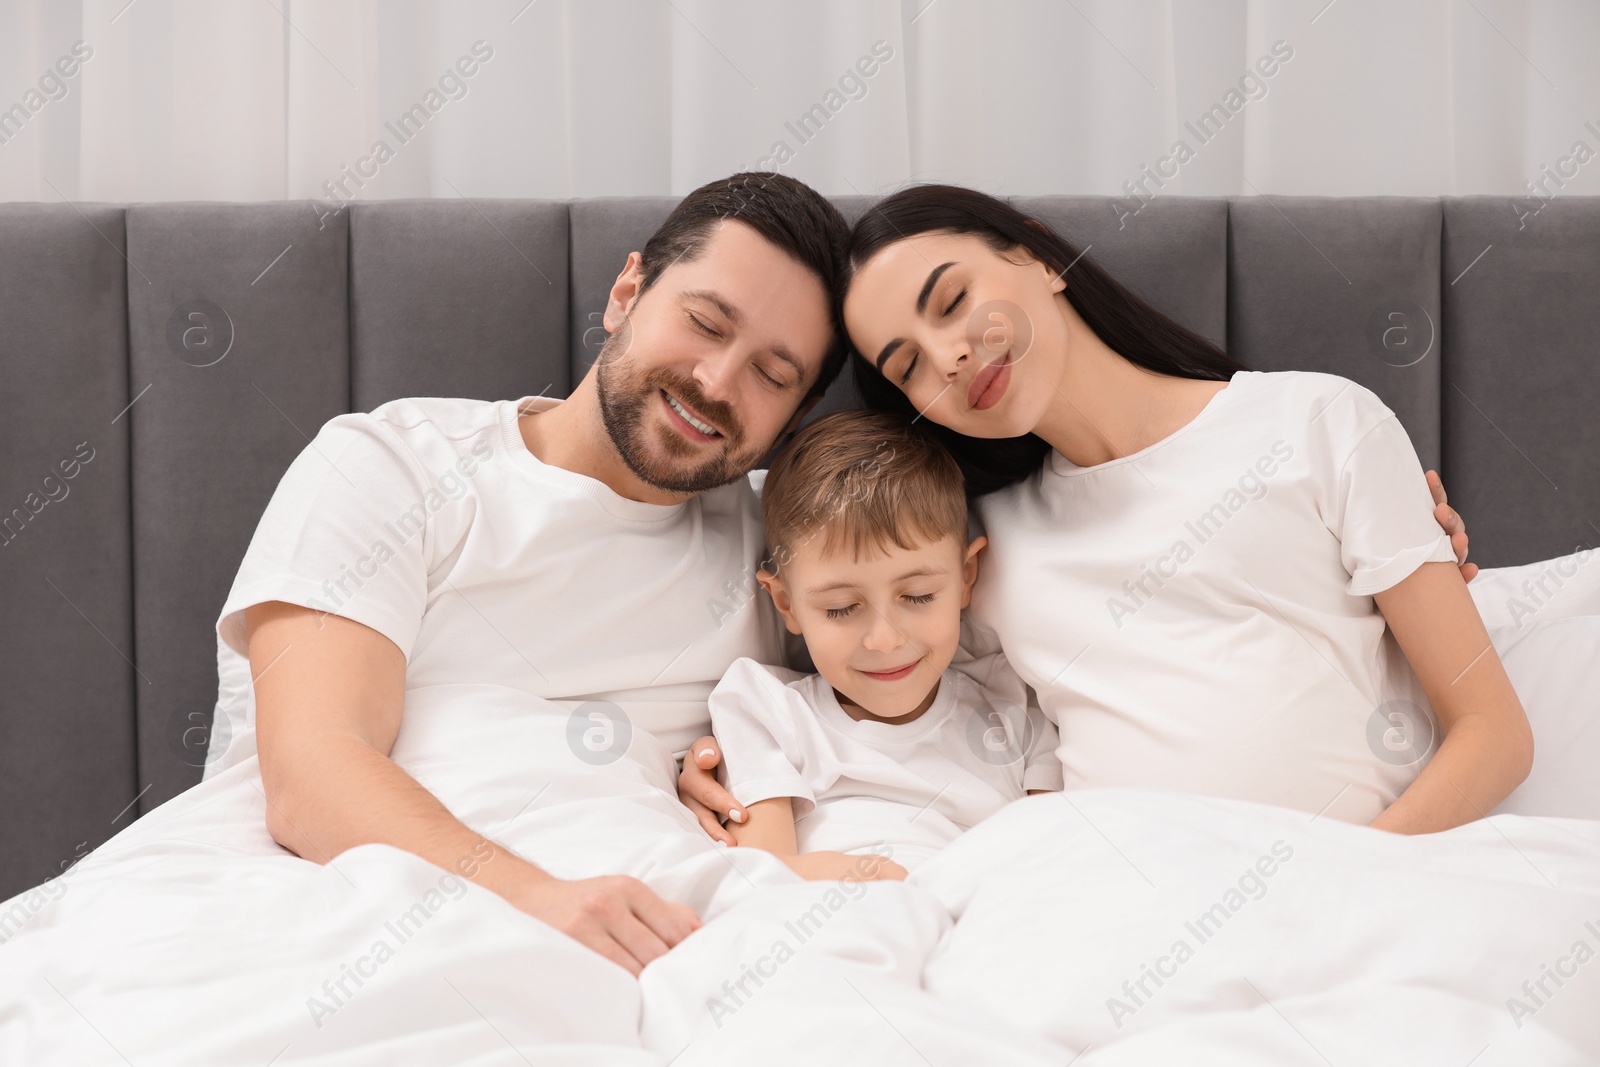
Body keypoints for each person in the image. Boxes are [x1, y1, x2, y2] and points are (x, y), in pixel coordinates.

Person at [681, 183, 1516, 840]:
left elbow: (1492, 732)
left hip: (1357, 877)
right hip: (1119, 902)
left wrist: (1348, 879)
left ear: (1038, 254)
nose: (950, 356)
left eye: (952, 301)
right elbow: (833, 599)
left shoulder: (1317, 422)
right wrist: (732, 772)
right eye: (909, 366)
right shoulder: (981, 543)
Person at [230, 172, 851, 976]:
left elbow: (937, 665)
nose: (716, 381)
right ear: (627, 292)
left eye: (773, 375)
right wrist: (536, 899)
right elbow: (312, 772)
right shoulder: (394, 464)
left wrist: (749, 775)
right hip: (366, 915)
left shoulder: (787, 555)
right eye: (703, 322)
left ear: (794, 419)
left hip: (655, 932)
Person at [711, 410, 1062, 880]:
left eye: (917, 597)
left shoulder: (1015, 706)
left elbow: (1056, 864)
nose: (885, 640)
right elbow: (761, 874)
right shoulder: (766, 710)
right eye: (839, 608)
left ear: (965, 578)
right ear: (787, 605)